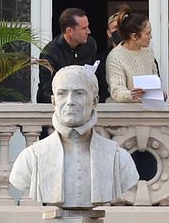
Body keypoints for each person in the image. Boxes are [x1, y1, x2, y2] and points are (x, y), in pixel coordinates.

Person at [9, 65, 139, 208]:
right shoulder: (30, 158)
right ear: (53, 102)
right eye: (62, 94)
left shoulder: (119, 158)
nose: (70, 101)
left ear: (95, 101)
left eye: (79, 93)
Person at [37, 7, 97, 103]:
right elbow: (46, 91)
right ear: (69, 31)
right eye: (84, 28)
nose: (89, 31)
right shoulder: (49, 53)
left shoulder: (90, 44)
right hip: (56, 107)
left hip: (84, 103)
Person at [105, 4, 159, 103]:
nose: (150, 37)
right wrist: (131, 94)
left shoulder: (148, 51)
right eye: (147, 33)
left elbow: (154, 78)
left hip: (149, 109)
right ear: (134, 36)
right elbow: (117, 91)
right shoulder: (115, 57)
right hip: (125, 113)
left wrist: (159, 93)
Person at [95, 12, 123, 103]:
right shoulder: (101, 59)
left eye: (123, 26)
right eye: (115, 27)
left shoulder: (143, 56)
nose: (120, 30)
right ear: (109, 33)